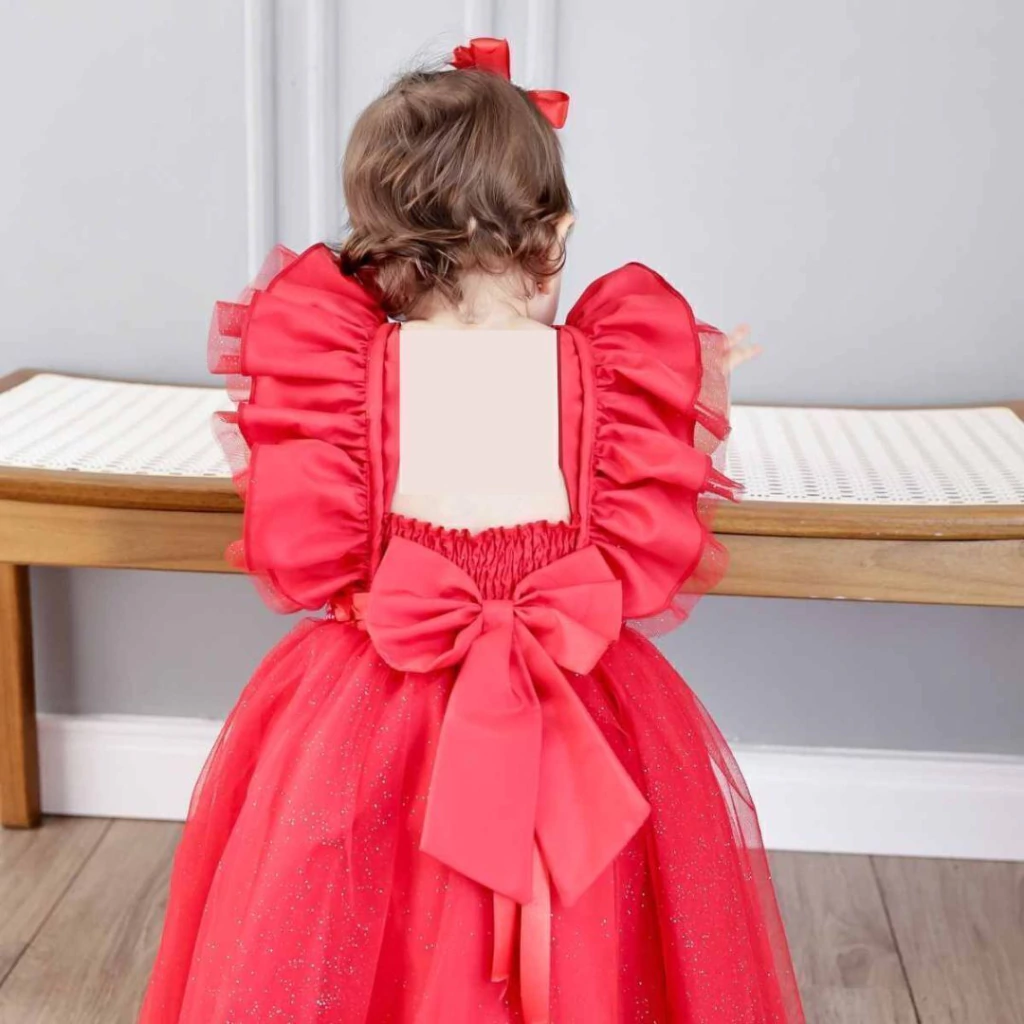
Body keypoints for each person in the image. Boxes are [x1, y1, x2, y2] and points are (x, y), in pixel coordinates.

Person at [139, 35, 803, 1024]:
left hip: (370, 711)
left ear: (378, 249)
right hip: (576, 696)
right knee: (595, 933)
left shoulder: (341, 379)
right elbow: (661, 510)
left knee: (347, 928)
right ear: (555, 233)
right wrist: (704, 382)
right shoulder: (609, 379)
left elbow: (291, 529)